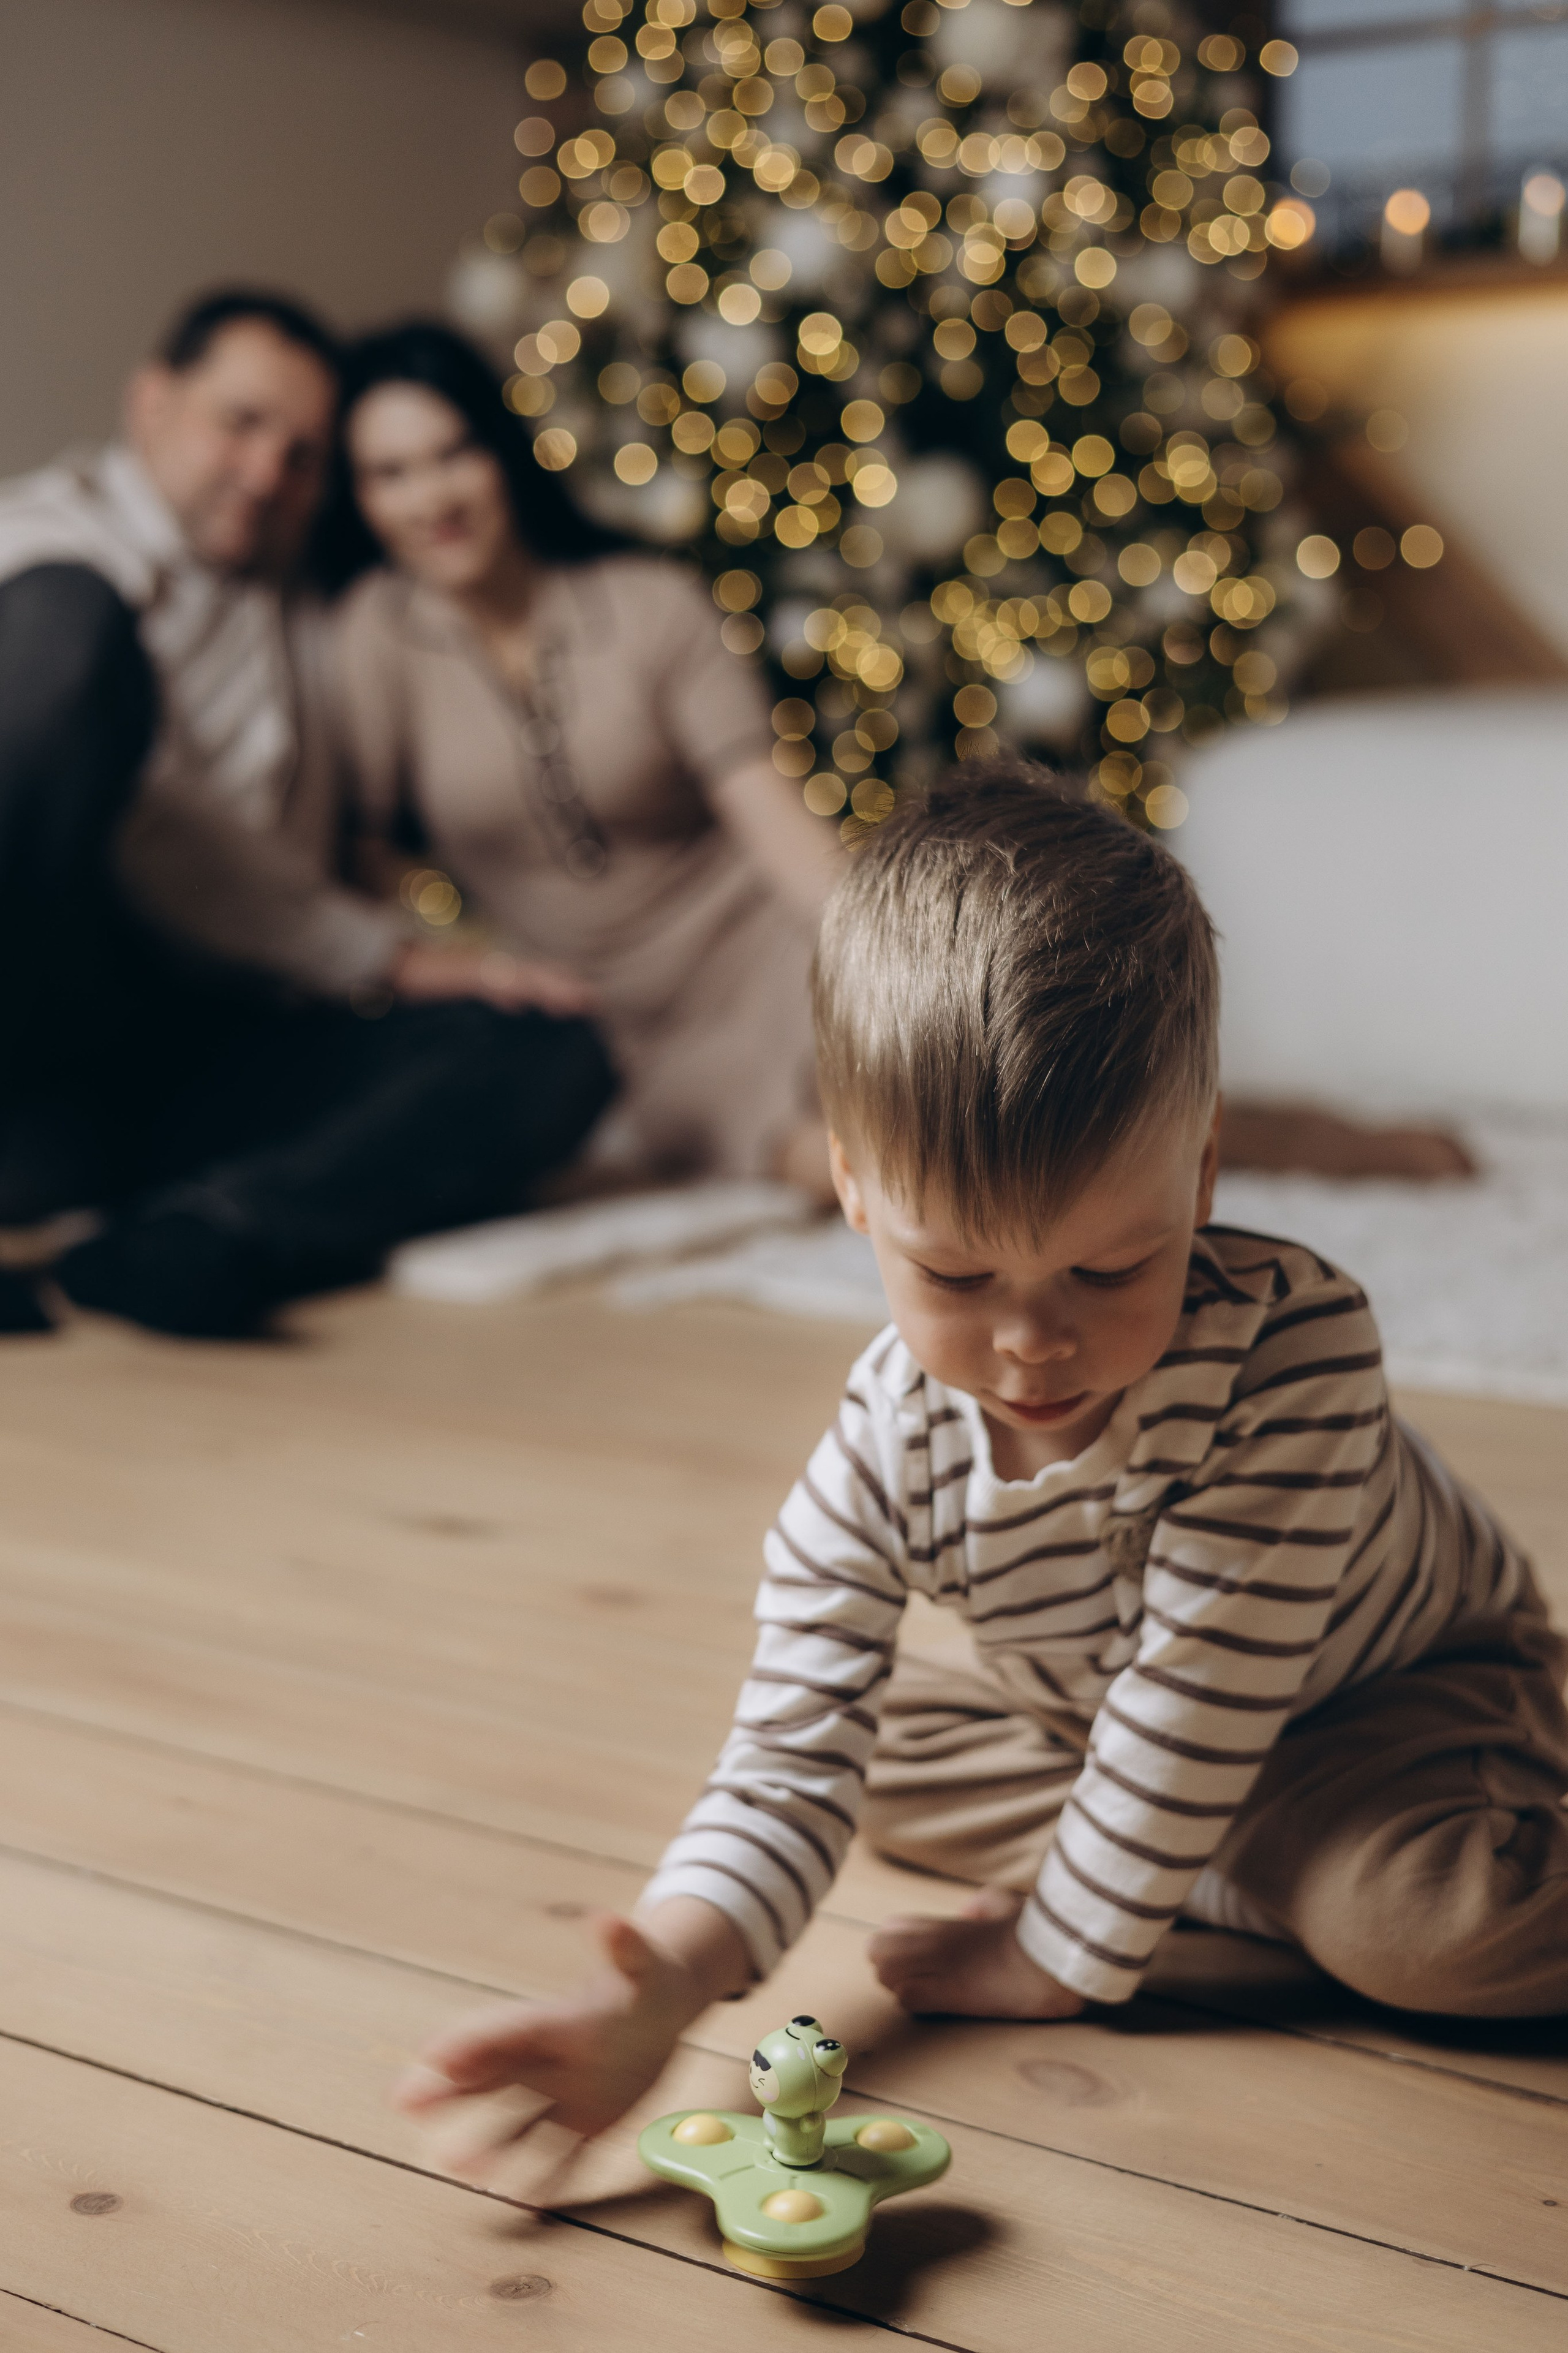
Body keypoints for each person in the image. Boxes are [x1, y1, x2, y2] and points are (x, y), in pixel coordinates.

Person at [394, 764, 1566, 2161]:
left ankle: (1190, 1908)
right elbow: (783, 1760)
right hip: (1114, 1728)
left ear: (1199, 1172)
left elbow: (1197, 1689)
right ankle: (1209, 1901)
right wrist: (655, 1987)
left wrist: (1053, 1953)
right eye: (954, 1274)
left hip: (1398, 1707)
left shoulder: (1294, 1348)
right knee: (879, 1760)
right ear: (851, 1186)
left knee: (1427, 1933)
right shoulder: (880, 1455)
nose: (1032, 1343)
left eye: (1108, 1268)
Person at [0, 290, 614, 1336]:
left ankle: (206, 1235)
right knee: (66, 625)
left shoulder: (314, 612)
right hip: (38, 1017)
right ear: (151, 403)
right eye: (239, 424)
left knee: (553, 1044)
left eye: (301, 455)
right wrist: (385, 956)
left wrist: (450, 963)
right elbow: (161, 830)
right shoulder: (37, 552)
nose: (265, 474)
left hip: (192, 1055)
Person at [319, 323, 841, 1196]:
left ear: (502, 452)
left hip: (759, 954)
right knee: (795, 1147)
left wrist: (883, 959)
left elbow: (777, 826)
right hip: (602, 1025)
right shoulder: (372, 635)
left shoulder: (649, 603)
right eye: (390, 474)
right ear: (360, 497)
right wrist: (461, 973)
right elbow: (359, 869)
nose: (430, 498)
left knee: (904, 1087)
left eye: (454, 454)